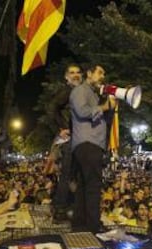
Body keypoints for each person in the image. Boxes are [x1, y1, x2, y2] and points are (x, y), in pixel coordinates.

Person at [69, 64, 116, 233]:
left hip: (89, 145)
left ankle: (79, 224)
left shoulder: (94, 95)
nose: (103, 75)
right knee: (93, 186)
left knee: (83, 186)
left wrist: (109, 105)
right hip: (88, 144)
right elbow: (82, 111)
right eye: (100, 72)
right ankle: (93, 226)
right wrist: (103, 107)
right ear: (89, 73)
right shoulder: (80, 91)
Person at [49, 64, 82, 216]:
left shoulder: (79, 92)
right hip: (69, 140)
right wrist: (61, 128)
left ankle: (69, 204)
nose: (76, 75)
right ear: (66, 77)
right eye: (72, 72)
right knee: (68, 173)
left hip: (78, 138)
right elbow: (52, 107)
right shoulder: (67, 91)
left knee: (74, 175)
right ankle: (60, 206)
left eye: (78, 72)